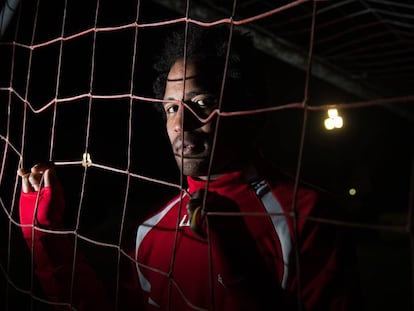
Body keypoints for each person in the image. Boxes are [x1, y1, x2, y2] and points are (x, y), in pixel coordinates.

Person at [17, 24, 362, 310]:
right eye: (171, 108)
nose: (182, 123)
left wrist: (243, 278)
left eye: (201, 103)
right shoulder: (153, 227)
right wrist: (45, 237)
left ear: (245, 109)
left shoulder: (306, 216)